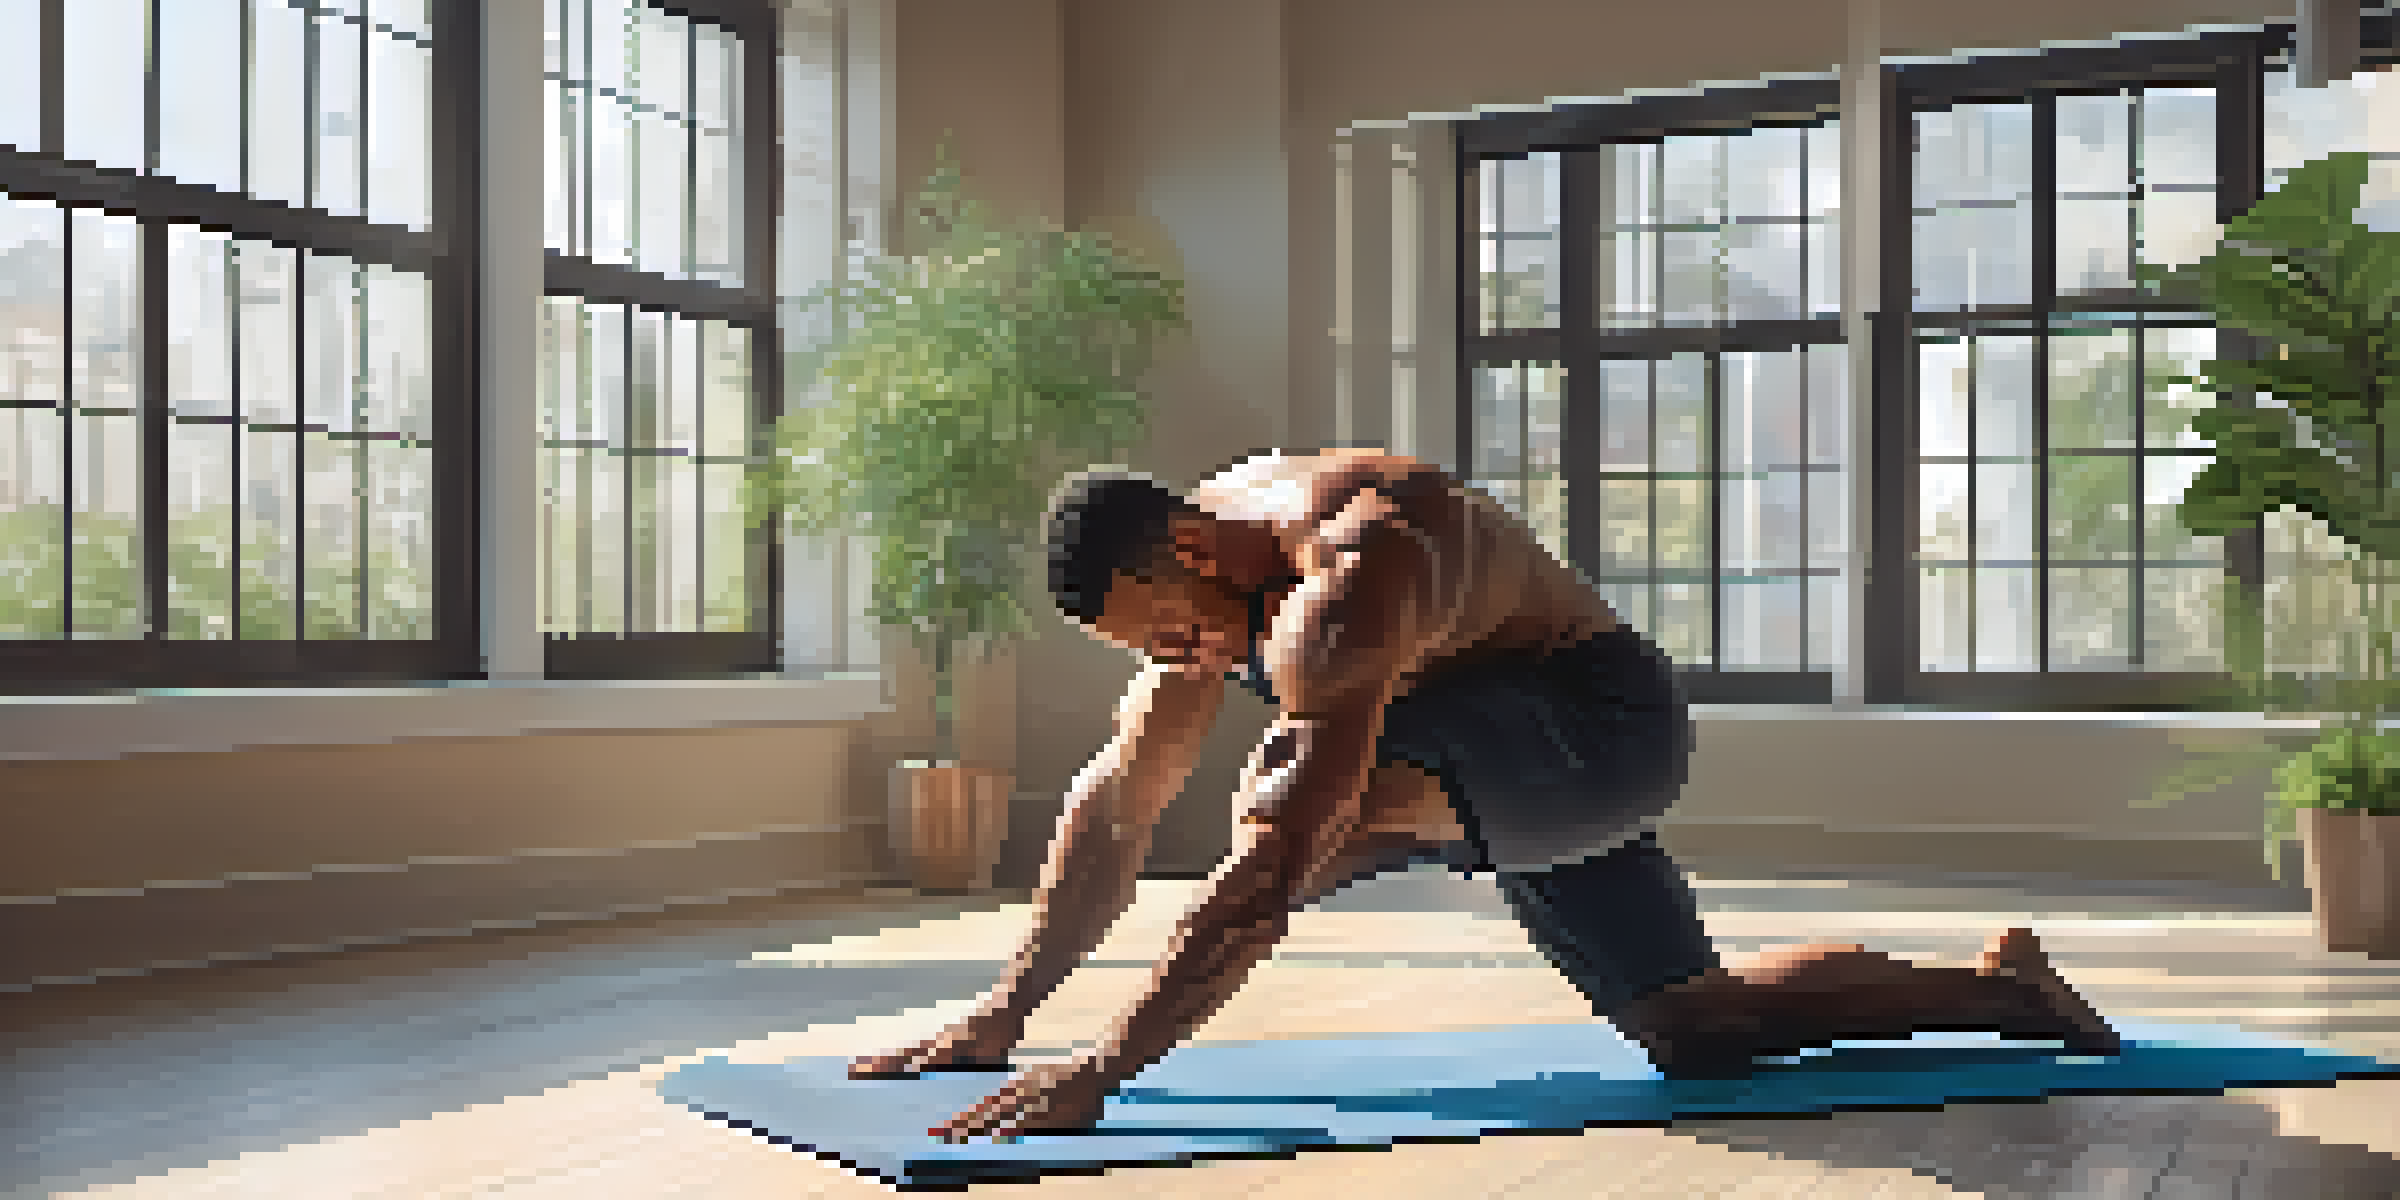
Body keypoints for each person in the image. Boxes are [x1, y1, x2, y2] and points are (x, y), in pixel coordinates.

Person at [851, 448, 2122, 1142]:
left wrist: (1107, 1070)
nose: (1172, 659)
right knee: (1698, 1034)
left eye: (1164, 631)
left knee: (1283, 811)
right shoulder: (1214, 578)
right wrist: (1004, 1013)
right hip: (1484, 757)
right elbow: (1121, 802)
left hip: (1601, 733)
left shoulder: (1344, 582)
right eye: (1146, 649)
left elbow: (1276, 860)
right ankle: (2003, 987)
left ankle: (1348, 848)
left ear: (1191, 548)